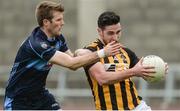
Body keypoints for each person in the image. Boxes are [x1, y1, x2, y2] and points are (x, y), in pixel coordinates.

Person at [3, 1, 121, 110]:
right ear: (46, 22)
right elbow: (71, 64)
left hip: (40, 96)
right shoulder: (37, 44)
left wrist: (102, 64)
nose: (63, 23)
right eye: (58, 20)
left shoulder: (58, 38)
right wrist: (102, 53)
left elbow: (74, 60)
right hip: (18, 100)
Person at [76, 11, 168, 110]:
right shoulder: (91, 52)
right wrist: (133, 71)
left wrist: (157, 70)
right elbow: (102, 78)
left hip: (137, 106)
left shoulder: (125, 51)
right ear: (99, 31)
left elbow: (141, 70)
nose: (115, 37)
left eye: (118, 32)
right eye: (110, 33)